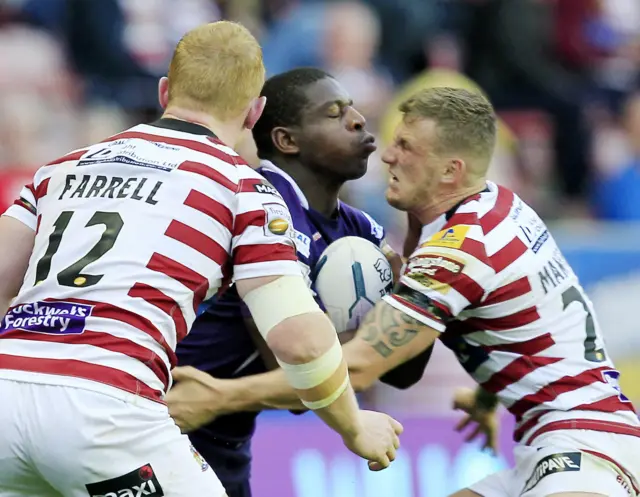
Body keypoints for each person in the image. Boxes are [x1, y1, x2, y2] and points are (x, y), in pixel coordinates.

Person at [166, 87, 640, 497]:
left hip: (584, 443)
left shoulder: (460, 252)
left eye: (407, 147)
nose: (386, 156)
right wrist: (490, 395)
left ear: (451, 171)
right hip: (555, 435)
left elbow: (358, 366)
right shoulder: (497, 203)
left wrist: (220, 397)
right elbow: (532, 321)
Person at [0, 22, 402, 497]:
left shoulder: (61, 168)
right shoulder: (241, 188)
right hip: (108, 410)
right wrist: (354, 425)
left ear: (165, 90)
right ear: (255, 113)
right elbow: (301, 342)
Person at [169, 67, 432, 497]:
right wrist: (370, 345)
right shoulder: (262, 209)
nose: (358, 120)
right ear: (286, 140)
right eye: (334, 113)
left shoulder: (362, 231)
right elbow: (294, 370)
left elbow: (401, 371)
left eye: (353, 108)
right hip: (167, 422)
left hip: (222, 439)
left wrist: (414, 282)